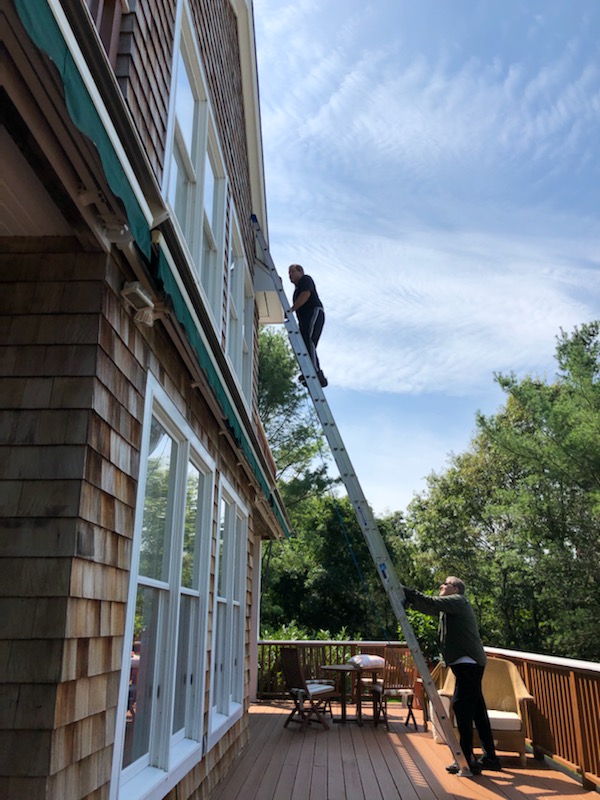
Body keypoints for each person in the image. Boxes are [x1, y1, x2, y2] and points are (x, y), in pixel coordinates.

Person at [403, 577, 501, 776]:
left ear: (455, 588)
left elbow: (430, 602)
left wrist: (405, 590)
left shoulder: (458, 601)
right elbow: (428, 607)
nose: (441, 585)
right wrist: (412, 601)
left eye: (445, 583)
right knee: (477, 710)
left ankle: (466, 760)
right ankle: (490, 757)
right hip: (467, 664)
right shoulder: (449, 607)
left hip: (469, 664)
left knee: (461, 707)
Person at [288, 264, 327, 387]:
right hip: (305, 319)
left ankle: (315, 372)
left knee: (307, 339)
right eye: (289, 273)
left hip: (313, 312)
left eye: (292, 272)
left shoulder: (305, 280)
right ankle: (313, 372)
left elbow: (306, 294)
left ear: (300, 271)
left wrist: (291, 309)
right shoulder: (295, 292)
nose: (290, 275)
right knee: (306, 345)